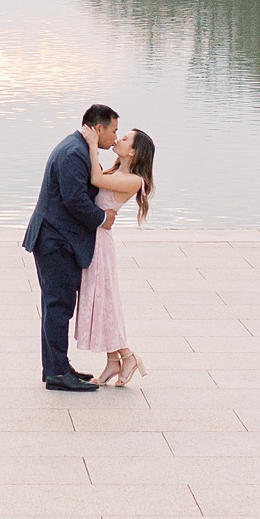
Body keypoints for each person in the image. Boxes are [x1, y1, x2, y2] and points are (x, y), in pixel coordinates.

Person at [22, 104, 119, 392]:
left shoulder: (77, 148)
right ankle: (57, 373)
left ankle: (57, 366)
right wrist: (103, 217)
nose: (115, 137)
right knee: (58, 306)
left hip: (56, 239)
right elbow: (74, 199)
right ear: (98, 128)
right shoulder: (74, 153)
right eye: (113, 130)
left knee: (56, 306)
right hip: (55, 242)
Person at [75, 127, 155, 386]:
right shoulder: (117, 171)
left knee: (106, 300)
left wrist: (91, 142)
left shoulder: (134, 180)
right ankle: (113, 360)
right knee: (101, 300)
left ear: (133, 151)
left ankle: (128, 355)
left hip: (100, 243)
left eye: (125, 139)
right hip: (94, 237)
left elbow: (95, 180)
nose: (118, 139)